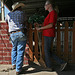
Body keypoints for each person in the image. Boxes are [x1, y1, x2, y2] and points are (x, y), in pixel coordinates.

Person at [36, 0, 67, 71]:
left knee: (47, 51)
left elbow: (51, 25)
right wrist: (40, 25)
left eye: (45, 5)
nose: (44, 6)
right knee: (48, 51)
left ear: (49, 5)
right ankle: (61, 63)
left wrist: (40, 28)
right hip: (48, 34)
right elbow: (48, 24)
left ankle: (50, 66)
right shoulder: (50, 14)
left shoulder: (52, 13)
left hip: (49, 34)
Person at [5, 2, 27, 75]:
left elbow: (6, 22)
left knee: (14, 48)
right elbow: (25, 21)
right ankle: (18, 69)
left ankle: (14, 64)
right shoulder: (22, 13)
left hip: (12, 34)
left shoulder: (8, 15)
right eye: (20, 7)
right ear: (19, 8)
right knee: (20, 51)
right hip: (20, 32)